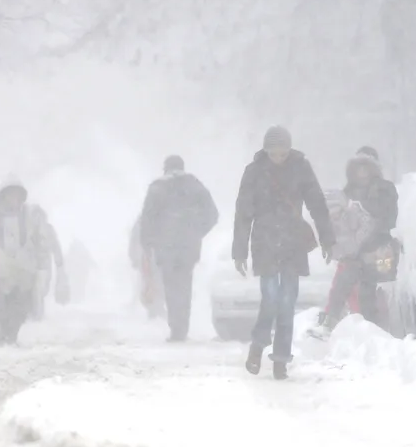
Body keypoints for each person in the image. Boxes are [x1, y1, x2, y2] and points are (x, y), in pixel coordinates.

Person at [232, 125, 334, 380]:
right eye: (274, 153)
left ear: (289, 150)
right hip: (265, 242)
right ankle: (258, 346)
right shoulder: (254, 172)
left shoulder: (301, 168)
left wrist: (328, 239)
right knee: (270, 298)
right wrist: (239, 251)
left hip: (292, 243)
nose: (278, 157)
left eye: (283, 153)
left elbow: (317, 204)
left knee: (287, 302)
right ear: (266, 151)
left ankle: (280, 359)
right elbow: (243, 213)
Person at [308, 148, 399, 338]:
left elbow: (387, 217)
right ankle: (333, 323)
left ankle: (373, 331)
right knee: (343, 283)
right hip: (354, 253)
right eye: (359, 168)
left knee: (370, 290)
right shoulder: (347, 192)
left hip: (380, 252)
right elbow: (340, 225)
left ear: (375, 169)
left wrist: (361, 211)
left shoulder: (385, 189)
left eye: (366, 167)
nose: (362, 173)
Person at [138, 155, 219, 341]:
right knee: (185, 284)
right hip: (189, 246)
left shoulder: (157, 188)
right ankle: (182, 327)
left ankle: (176, 329)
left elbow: (147, 218)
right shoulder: (194, 185)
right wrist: (197, 231)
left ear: (165, 168)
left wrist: (148, 243)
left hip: (165, 246)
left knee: (170, 285)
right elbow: (213, 214)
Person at [0, 175, 64, 345]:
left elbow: (45, 239)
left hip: (25, 273)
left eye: (17, 195)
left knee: (21, 309)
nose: (13, 199)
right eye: (10, 195)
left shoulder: (32, 215)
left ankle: (10, 338)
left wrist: (46, 266)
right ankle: (4, 332)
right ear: (3, 196)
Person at [130, 213, 165, 320]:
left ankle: (156, 311)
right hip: (147, 259)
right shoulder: (142, 221)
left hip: (158, 259)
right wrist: (134, 258)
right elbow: (134, 241)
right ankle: (155, 311)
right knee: (149, 285)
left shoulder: (164, 219)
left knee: (156, 286)